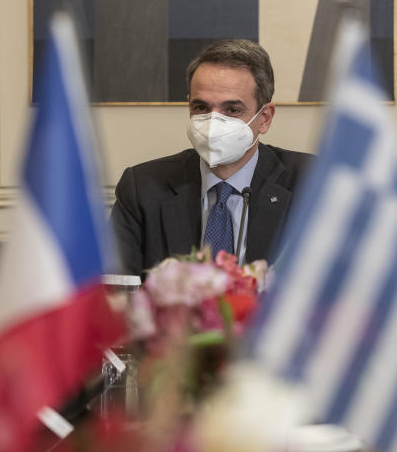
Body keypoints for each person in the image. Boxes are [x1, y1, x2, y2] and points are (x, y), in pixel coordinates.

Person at [110, 39, 314, 275]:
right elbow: (117, 290)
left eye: (232, 110)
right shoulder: (143, 188)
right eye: (201, 108)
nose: (213, 122)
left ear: (265, 117)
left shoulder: (312, 182)